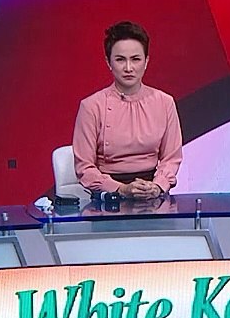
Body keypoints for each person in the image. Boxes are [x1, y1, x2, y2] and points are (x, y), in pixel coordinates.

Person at [73, 21, 183, 199]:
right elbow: (84, 168)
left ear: (146, 62)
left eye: (135, 59)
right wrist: (121, 189)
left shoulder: (165, 103)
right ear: (108, 62)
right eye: (120, 60)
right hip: (108, 197)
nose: (128, 68)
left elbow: (171, 158)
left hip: (152, 193)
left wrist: (158, 186)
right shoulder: (91, 106)